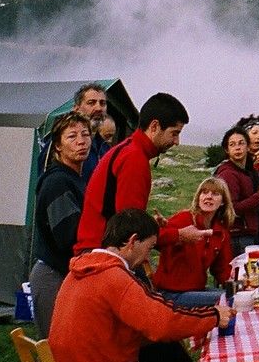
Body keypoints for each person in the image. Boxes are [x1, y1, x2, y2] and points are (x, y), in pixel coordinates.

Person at [49, 209, 230, 362]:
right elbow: (164, 324)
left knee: (166, 352)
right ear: (133, 241)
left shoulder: (78, 271)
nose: (147, 257)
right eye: (150, 247)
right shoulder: (113, 278)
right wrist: (213, 316)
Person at [75, 92, 201, 254]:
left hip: (97, 247)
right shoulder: (135, 159)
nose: (176, 142)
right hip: (103, 252)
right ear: (154, 126)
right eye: (174, 133)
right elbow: (130, 227)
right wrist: (179, 235)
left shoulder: (128, 148)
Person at [30, 111, 91, 338]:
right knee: (56, 347)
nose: (81, 141)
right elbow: (69, 237)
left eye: (85, 135)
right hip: (52, 277)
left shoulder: (75, 179)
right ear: (57, 146)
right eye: (72, 136)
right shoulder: (58, 182)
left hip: (65, 276)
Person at [152, 177, 235, 308]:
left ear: (223, 202)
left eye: (215, 194)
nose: (209, 197)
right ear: (198, 198)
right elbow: (155, 240)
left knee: (237, 297)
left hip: (197, 290)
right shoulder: (184, 219)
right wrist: (179, 235)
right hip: (170, 294)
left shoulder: (221, 233)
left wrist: (237, 283)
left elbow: (223, 270)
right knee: (229, 300)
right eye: (204, 192)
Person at [214, 116, 259, 253]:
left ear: (247, 145)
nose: (237, 148)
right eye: (232, 145)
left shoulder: (248, 170)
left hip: (250, 230)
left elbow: (255, 198)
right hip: (237, 236)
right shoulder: (228, 173)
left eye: (241, 143)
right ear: (227, 150)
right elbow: (233, 209)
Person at [73, 83, 112, 180]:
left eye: (102, 103)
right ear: (76, 109)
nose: (99, 108)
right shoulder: (61, 143)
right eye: (91, 103)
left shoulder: (105, 147)